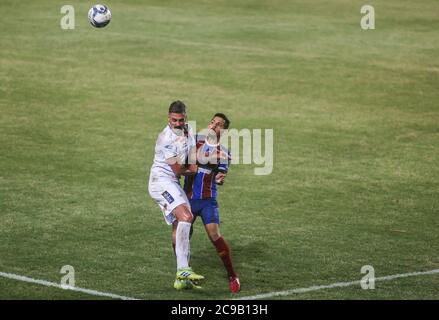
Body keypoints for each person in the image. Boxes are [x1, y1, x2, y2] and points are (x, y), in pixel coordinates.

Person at [174, 113, 241, 293]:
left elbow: (221, 174)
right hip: (186, 200)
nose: (213, 125)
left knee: (215, 236)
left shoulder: (224, 152)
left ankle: (232, 275)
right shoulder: (194, 141)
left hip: (207, 201)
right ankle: (182, 273)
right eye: (212, 122)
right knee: (177, 238)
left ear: (223, 130)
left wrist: (220, 178)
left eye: (218, 124)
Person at [148, 100, 204, 290]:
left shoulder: (187, 130)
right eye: (174, 120)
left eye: (181, 120)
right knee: (186, 217)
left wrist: (194, 165)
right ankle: (183, 269)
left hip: (172, 183)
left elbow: (192, 155)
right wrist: (195, 169)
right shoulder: (165, 139)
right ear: (168, 118)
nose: (178, 123)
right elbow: (179, 169)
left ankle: (180, 280)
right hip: (160, 182)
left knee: (179, 224)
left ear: (185, 118)